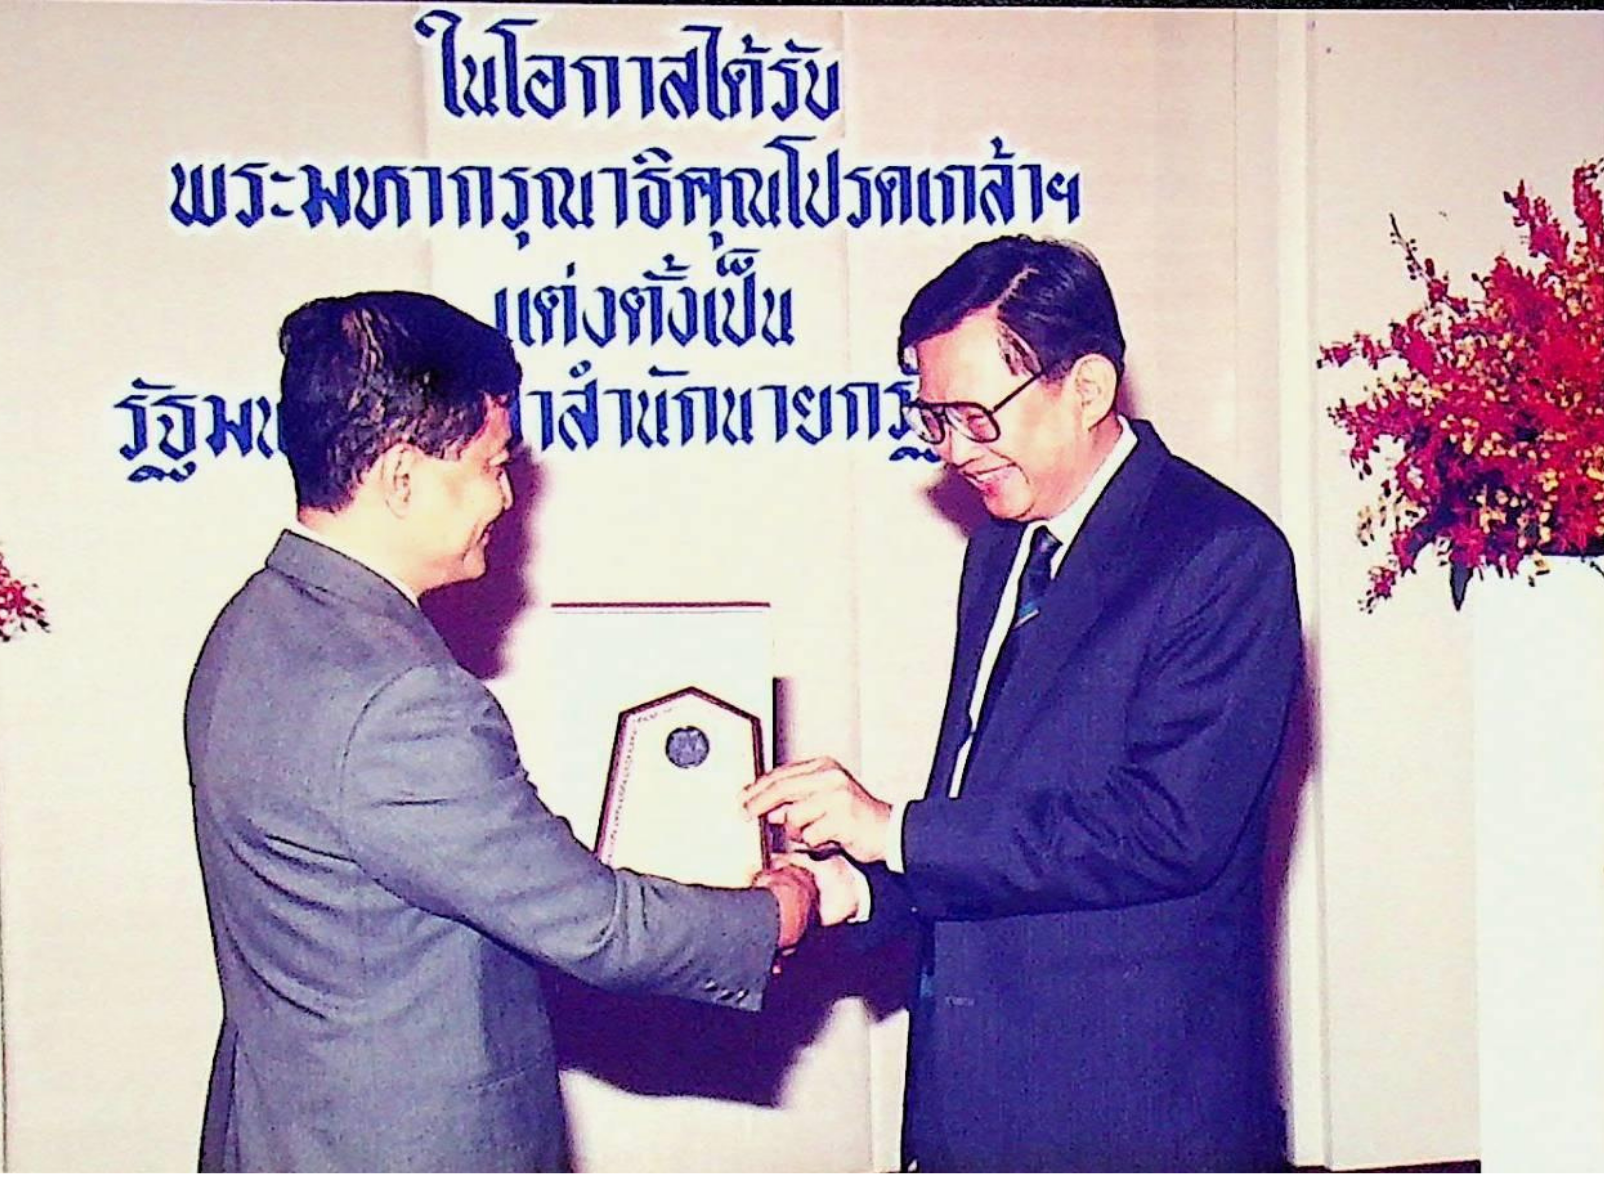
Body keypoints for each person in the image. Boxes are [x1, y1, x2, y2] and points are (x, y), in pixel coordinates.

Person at [185, 290, 818, 1172]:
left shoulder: (252, 625)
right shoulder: (404, 698)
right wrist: (780, 909)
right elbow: (600, 927)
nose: (506, 495)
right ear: (402, 479)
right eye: (490, 464)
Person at [744, 235, 1301, 1171]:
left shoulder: (1222, 555)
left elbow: (1165, 828)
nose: (954, 451)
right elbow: (994, 811)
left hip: (1130, 1114)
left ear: (1087, 387)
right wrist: (857, 886)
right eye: (934, 419)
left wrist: (894, 827)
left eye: (975, 416)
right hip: (972, 1101)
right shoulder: (1002, 548)